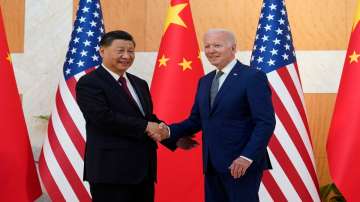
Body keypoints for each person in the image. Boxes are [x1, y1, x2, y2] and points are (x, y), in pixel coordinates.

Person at [149, 29, 276, 202]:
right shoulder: (205, 81)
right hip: (212, 163)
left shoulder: (252, 77)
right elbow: (196, 120)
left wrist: (247, 157)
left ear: (233, 48)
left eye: (217, 45)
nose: (211, 50)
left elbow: (265, 122)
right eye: (207, 46)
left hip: (241, 164)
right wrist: (168, 131)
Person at [76, 30, 174, 202]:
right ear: (102, 51)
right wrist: (145, 126)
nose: (126, 56)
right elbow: (103, 118)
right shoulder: (89, 83)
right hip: (110, 173)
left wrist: (170, 133)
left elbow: (147, 117)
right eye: (120, 51)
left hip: (143, 172)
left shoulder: (139, 83)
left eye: (130, 51)